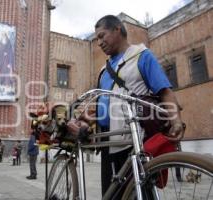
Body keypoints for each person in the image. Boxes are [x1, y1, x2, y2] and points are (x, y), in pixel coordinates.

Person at [68, 15, 185, 197]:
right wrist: (84, 120)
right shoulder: (103, 70)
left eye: (102, 35)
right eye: (97, 38)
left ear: (118, 29)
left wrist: (176, 120)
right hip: (108, 141)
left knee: (140, 192)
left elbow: (165, 92)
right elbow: (103, 107)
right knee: (111, 193)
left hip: (137, 141)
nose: (99, 42)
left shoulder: (141, 56)